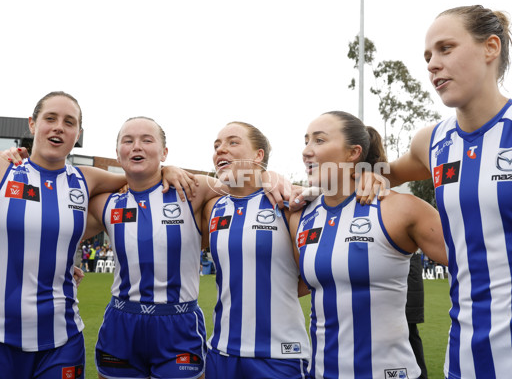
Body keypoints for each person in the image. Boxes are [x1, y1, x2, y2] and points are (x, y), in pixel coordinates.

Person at [355, 5, 512, 378]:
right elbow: (372, 176)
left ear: (490, 48)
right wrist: (274, 181)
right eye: (427, 56)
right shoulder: (433, 142)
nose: (432, 64)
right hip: (467, 358)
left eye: (446, 48)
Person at [0, 91, 194, 378]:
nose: (59, 127)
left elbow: (140, 177)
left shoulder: (85, 179)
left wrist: (169, 169)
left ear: (77, 133)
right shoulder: (5, 169)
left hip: (62, 338)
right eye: (50, 118)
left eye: (69, 122)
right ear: (32, 124)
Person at [85, 117, 290, 379]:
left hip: (179, 324)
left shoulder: (193, 189)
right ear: (117, 153)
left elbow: (243, 184)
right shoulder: (104, 203)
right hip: (122, 323)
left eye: (147, 140)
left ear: (164, 152)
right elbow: (59, 229)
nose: (137, 146)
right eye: (128, 141)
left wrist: (270, 176)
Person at [289, 111, 448, 379]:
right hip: (321, 373)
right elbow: (294, 287)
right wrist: (271, 178)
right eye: (306, 141)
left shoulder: (399, 209)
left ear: (353, 153)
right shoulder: (301, 214)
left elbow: (479, 260)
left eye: (319, 140)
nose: (306, 151)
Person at [201, 122, 310, 378]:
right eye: (216, 146)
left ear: (258, 155)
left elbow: (313, 276)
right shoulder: (212, 208)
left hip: (280, 356)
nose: (220, 150)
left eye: (232, 142)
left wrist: (273, 288)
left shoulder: (289, 204)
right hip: (221, 352)